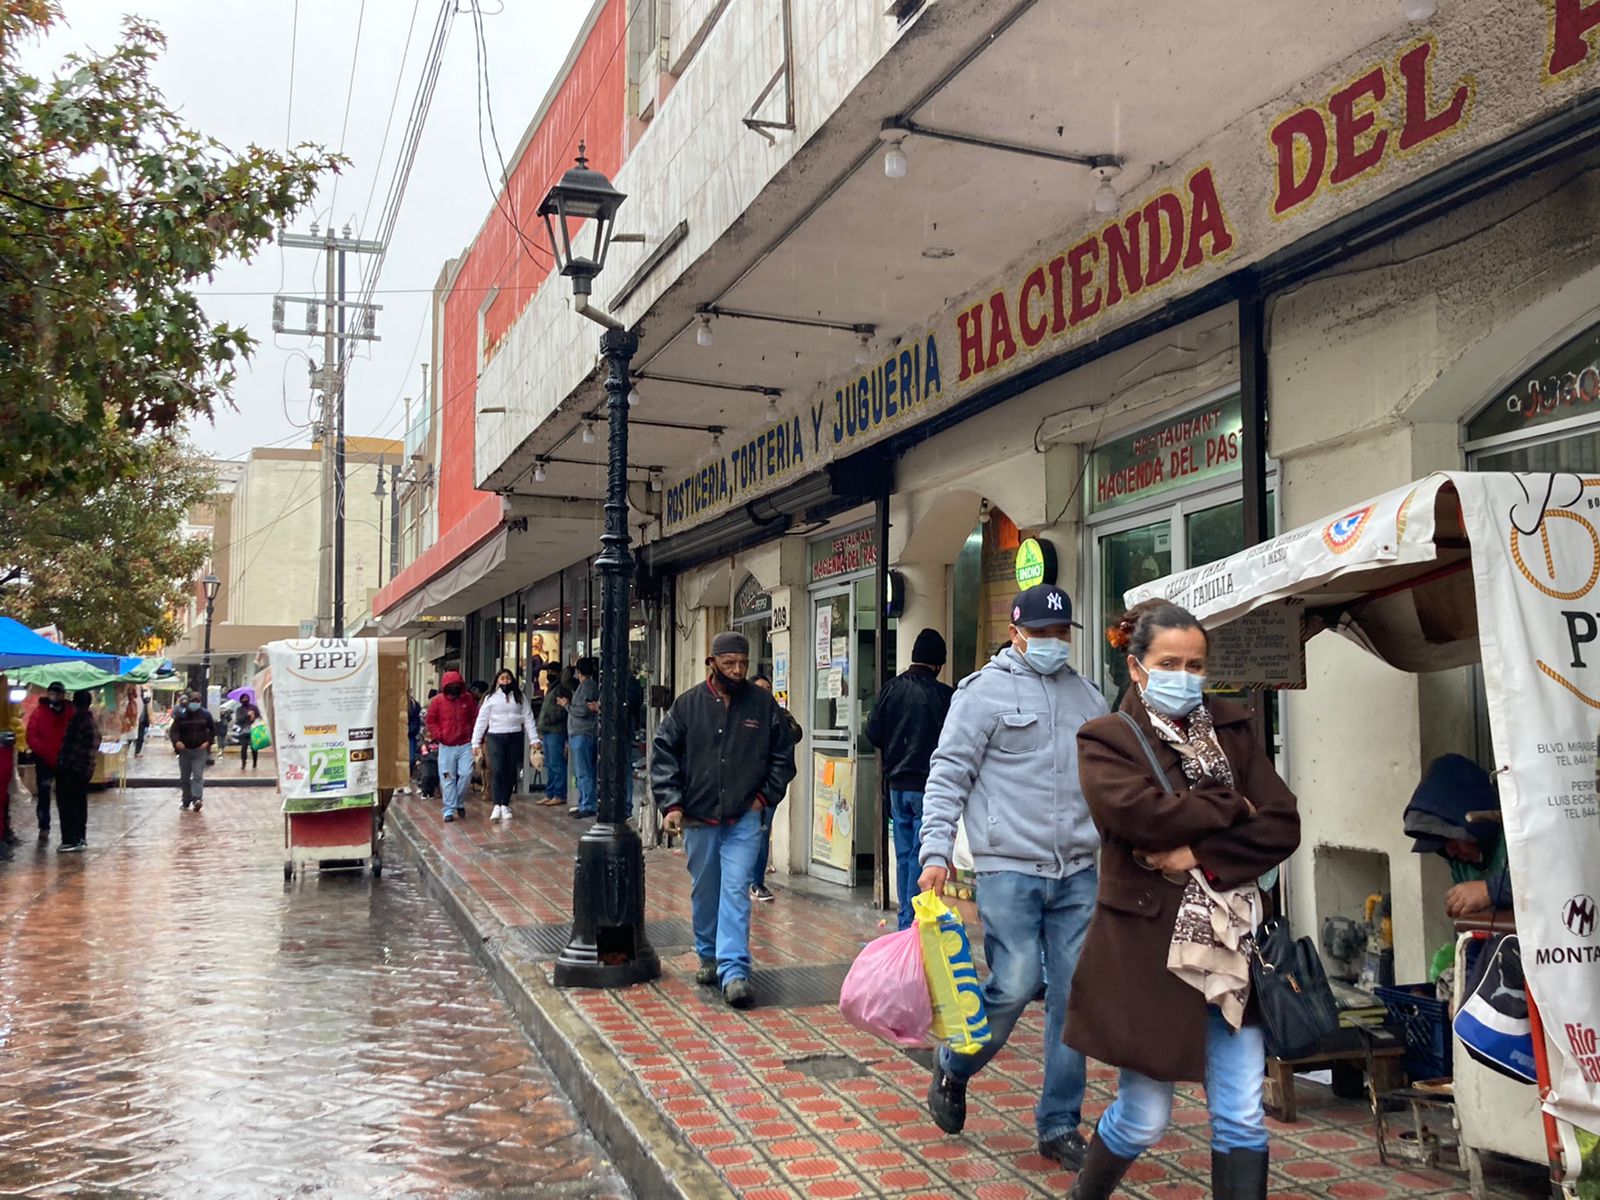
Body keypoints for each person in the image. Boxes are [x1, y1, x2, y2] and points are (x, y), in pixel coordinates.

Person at [1065, 600, 1300, 1200]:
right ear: (1137, 666)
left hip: (1233, 947)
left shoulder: (1232, 726)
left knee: (1242, 1115)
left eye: (1195, 665)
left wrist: (1197, 854)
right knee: (1145, 1116)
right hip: (1148, 954)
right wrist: (1229, 805)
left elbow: (1282, 825)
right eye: (1170, 662)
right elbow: (1139, 817)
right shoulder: (1108, 738)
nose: (1185, 676)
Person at [917, 584, 1107, 1170]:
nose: (1053, 643)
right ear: (1016, 632)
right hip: (1008, 869)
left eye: (1061, 633)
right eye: (1042, 633)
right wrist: (935, 852)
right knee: (1016, 982)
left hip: (1077, 871)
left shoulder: (1089, 698)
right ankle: (954, 1066)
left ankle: (1058, 1123)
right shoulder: (981, 694)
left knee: (1074, 998)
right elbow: (948, 774)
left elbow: (1110, 783)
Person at [652, 631, 797, 1008]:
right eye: (729, 663)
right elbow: (664, 753)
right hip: (698, 818)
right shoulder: (687, 706)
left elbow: (783, 752)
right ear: (712, 662)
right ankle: (709, 955)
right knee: (706, 889)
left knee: (735, 888)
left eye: (743, 664)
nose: (737, 670)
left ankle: (733, 970)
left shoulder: (762, 705)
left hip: (744, 817)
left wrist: (763, 798)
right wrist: (671, 805)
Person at [867, 628, 954, 929]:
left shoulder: (890, 689)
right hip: (929, 787)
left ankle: (906, 919)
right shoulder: (945, 696)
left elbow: (873, 733)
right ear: (938, 664)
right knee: (922, 855)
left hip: (897, 787)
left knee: (904, 855)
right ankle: (915, 922)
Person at [1403, 752, 1512, 918]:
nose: (1451, 852)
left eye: (1451, 841)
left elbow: (1551, 877)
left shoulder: (1515, 832)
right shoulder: (1459, 860)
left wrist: (1490, 890)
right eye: (1442, 847)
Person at [748, 673, 803, 902]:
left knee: (761, 834)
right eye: (760, 689)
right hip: (741, 789)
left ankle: (755, 882)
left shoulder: (777, 716)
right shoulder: (742, 717)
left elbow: (795, 734)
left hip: (765, 791)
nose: (765, 693)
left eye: (768, 689)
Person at [472, 668, 538, 822]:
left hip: (515, 736)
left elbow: (528, 718)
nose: (505, 682)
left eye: (508, 678)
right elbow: (481, 720)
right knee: (497, 769)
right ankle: (496, 804)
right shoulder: (490, 698)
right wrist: (475, 742)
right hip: (495, 736)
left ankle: (505, 804)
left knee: (510, 771)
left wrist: (534, 739)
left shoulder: (519, 697)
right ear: (497, 681)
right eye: (502, 679)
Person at [426, 671, 478, 822]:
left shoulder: (468, 699)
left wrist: (473, 735)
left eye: (457, 685)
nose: (454, 688)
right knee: (447, 777)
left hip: (465, 744)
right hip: (446, 745)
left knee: (467, 773)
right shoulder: (437, 701)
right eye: (451, 685)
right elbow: (431, 721)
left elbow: (474, 717)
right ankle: (448, 809)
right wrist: (439, 735)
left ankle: (458, 801)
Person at [25, 681, 73, 843]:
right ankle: (43, 826)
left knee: (65, 796)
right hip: (44, 761)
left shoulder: (69, 711)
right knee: (44, 796)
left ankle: (66, 830)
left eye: (59, 693)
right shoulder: (39, 713)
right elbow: (31, 736)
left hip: (65, 761)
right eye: (53, 692)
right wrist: (45, 752)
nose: (56, 696)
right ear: (48, 693)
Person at [54, 690, 99, 853]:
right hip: (85, 771)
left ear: (75, 703)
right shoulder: (91, 721)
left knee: (68, 805)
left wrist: (62, 767)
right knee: (80, 804)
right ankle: (80, 837)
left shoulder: (78, 721)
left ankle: (71, 839)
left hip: (72, 771)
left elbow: (70, 749)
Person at [168, 689, 217, 812]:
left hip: (200, 750)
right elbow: (173, 731)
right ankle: (186, 800)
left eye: (197, 701)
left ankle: (197, 799)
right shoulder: (181, 715)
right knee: (184, 778)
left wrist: (208, 742)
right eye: (193, 701)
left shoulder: (206, 714)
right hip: (185, 750)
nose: (195, 703)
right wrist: (176, 742)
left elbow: (212, 730)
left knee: (197, 775)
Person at [567, 657, 600, 818]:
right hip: (581, 733)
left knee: (584, 771)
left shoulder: (588, 687)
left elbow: (583, 711)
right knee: (584, 771)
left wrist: (567, 705)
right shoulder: (584, 685)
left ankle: (587, 804)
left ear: (578, 672)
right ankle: (584, 802)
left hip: (583, 733)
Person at [536, 667, 570, 807]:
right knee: (550, 763)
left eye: (552, 671)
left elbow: (561, 711)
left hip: (556, 730)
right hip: (548, 731)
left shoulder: (560, 689)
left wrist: (548, 720)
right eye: (547, 671)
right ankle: (550, 793)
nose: (549, 674)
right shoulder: (550, 689)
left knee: (557, 763)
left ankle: (559, 794)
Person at [235, 699, 262, 771]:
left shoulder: (254, 707)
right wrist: (247, 714)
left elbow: (259, 717)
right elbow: (239, 719)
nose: (245, 700)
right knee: (244, 747)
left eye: (246, 698)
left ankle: (254, 763)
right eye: (243, 699)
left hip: (254, 730)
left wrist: (254, 717)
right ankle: (243, 763)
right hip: (244, 731)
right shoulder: (239, 709)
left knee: (254, 747)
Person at [407, 688, 423, 780]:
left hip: (411, 735)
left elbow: (418, 718)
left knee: (411, 758)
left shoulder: (415, 704)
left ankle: (409, 776)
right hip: (404, 735)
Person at [134, 687, 152, 756]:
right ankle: (133, 751)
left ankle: (137, 752)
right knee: (132, 737)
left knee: (140, 737)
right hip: (136, 721)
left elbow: (147, 699)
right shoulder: (136, 700)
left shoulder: (144, 700)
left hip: (142, 721)